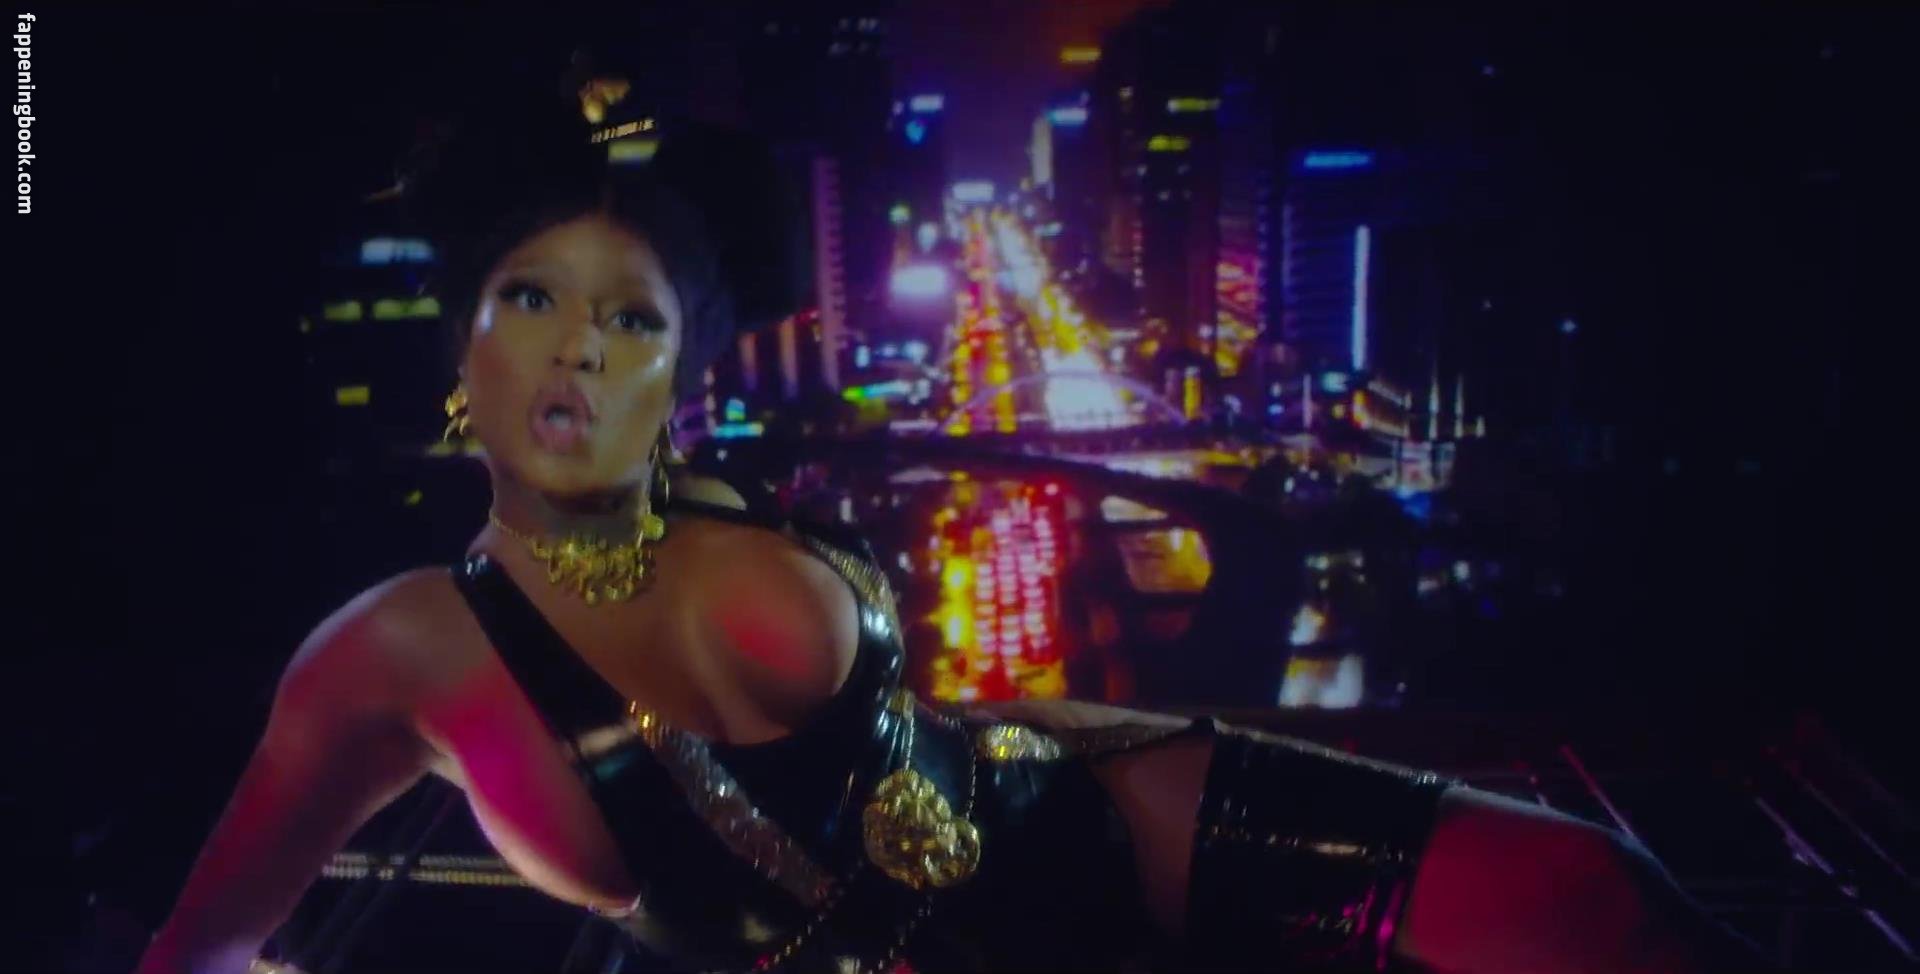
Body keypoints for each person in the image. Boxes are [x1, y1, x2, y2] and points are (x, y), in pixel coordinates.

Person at [135, 95, 1773, 974]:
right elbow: (192, 945)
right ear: (464, 350)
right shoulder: (390, 651)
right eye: (531, 299)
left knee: (1593, 897)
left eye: (630, 318)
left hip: (1070, 803)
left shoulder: (728, 500)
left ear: (680, 373)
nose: (577, 347)